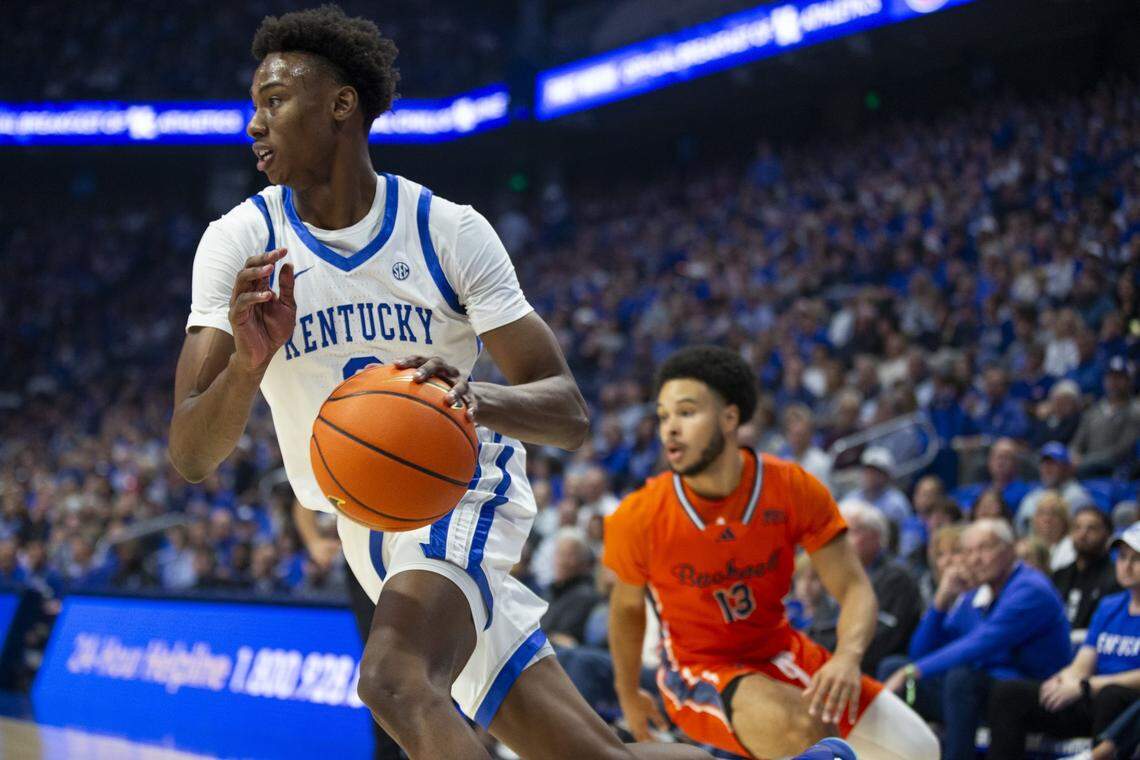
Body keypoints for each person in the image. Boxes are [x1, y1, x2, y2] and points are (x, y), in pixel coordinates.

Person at [168, 8, 706, 759]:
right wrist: (247, 365)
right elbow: (191, 454)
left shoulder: (446, 231)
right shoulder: (239, 243)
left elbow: (568, 411)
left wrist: (474, 398)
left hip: (458, 485)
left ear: (341, 105)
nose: (254, 124)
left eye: (274, 101)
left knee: (392, 681)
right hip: (362, 520)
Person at [605, 346, 938, 760]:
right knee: (806, 732)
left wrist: (847, 658)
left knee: (919, 748)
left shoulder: (792, 487)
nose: (669, 429)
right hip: (700, 669)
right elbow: (626, 610)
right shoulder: (639, 515)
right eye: (663, 416)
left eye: (686, 412)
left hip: (782, 650)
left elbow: (854, 588)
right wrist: (628, 693)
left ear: (730, 418)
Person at [880, 519, 1072, 760]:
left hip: (1030, 696)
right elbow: (920, 654)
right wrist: (941, 601)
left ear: (1010, 550)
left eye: (984, 548)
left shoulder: (1031, 589)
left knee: (960, 677)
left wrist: (912, 671)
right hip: (976, 694)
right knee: (892, 667)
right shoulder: (977, 594)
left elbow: (979, 644)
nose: (975, 559)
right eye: (969, 552)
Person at [986, 522, 1140, 759]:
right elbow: (1083, 663)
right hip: (1092, 697)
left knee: (1112, 695)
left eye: (1136, 559)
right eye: (1122, 557)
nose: (1126, 566)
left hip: (1127, 708)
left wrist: (1087, 686)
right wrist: (1062, 680)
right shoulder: (1110, 606)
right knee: (1010, 693)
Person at [838, 502, 923, 677]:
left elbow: (885, 636)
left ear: (876, 536)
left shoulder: (896, 577)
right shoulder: (845, 575)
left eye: (852, 531)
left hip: (879, 667)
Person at [1052, 507, 1120, 632]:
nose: (1082, 534)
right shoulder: (1059, 575)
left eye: (1091, 528)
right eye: (1077, 527)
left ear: (1108, 534)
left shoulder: (1116, 578)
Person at [1071, 356, 1140, 478]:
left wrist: (1085, 461)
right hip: (1085, 470)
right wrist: (1073, 456)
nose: (1114, 383)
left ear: (1129, 381)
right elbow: (1077, 443)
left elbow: (1122, 451)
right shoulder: (1093, 410)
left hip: (1116, 473)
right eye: (1111, 378)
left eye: (1119, 378)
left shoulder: (1135, 411)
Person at [1016, 442, 1094, 535]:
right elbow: (1020, 530)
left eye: (1053, 464)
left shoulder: (1078, 497)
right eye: (1044, 464)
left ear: (1066, 468)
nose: (1047, 468)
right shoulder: (1032, 496)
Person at [839, 447, 913, 531]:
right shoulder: (850, 498)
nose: (870, 476)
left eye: (876, 472)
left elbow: (905, 533)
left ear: (886, 476)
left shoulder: (896, 503)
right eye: (867, 471)